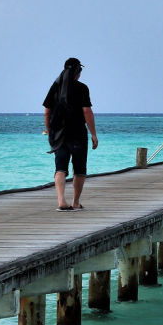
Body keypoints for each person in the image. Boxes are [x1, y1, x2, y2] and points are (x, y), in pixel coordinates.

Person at [43, 57, 98, 211]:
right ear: (78, 73)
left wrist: (49, 131)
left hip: (59, 134)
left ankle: (61, 200)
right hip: (78, 133)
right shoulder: (82, 88)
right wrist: (93, 134)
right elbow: (86, 111)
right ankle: (75, 202)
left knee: (60, 167)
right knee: (79, 169)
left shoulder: (55, 86)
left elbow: (47, 112)